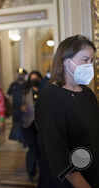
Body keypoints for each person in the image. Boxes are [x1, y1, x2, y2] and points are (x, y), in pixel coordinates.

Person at [35, 35, 99, 188]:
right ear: (65, 61)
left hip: (92, 174)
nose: (89, 65)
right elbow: (57, 153)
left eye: (91, 60)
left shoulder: (88, 94)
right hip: (65, 182)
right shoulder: (50, 95)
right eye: (84, 59)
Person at [21, 70, 44, 182]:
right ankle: (31, 171)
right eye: (32, 78)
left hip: (42, 123)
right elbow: (21, 105)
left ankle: (42, 168)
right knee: (32, 147)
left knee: (41, 147)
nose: (34, 80)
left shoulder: (44, 90)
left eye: (36, 78)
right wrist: (23, 108)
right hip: (29, 123)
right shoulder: (26, 91)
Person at [7, 68, 27, 143]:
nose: (20, 76)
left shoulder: (26, 84)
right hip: (15, 107)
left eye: (22, 74)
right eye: (19, 74)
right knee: (16, 122)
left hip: (24, 107)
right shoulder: (13, 85)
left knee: (24, 122)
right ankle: (17, 136)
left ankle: (23, 137)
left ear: (24, 75)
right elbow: (7, 95)